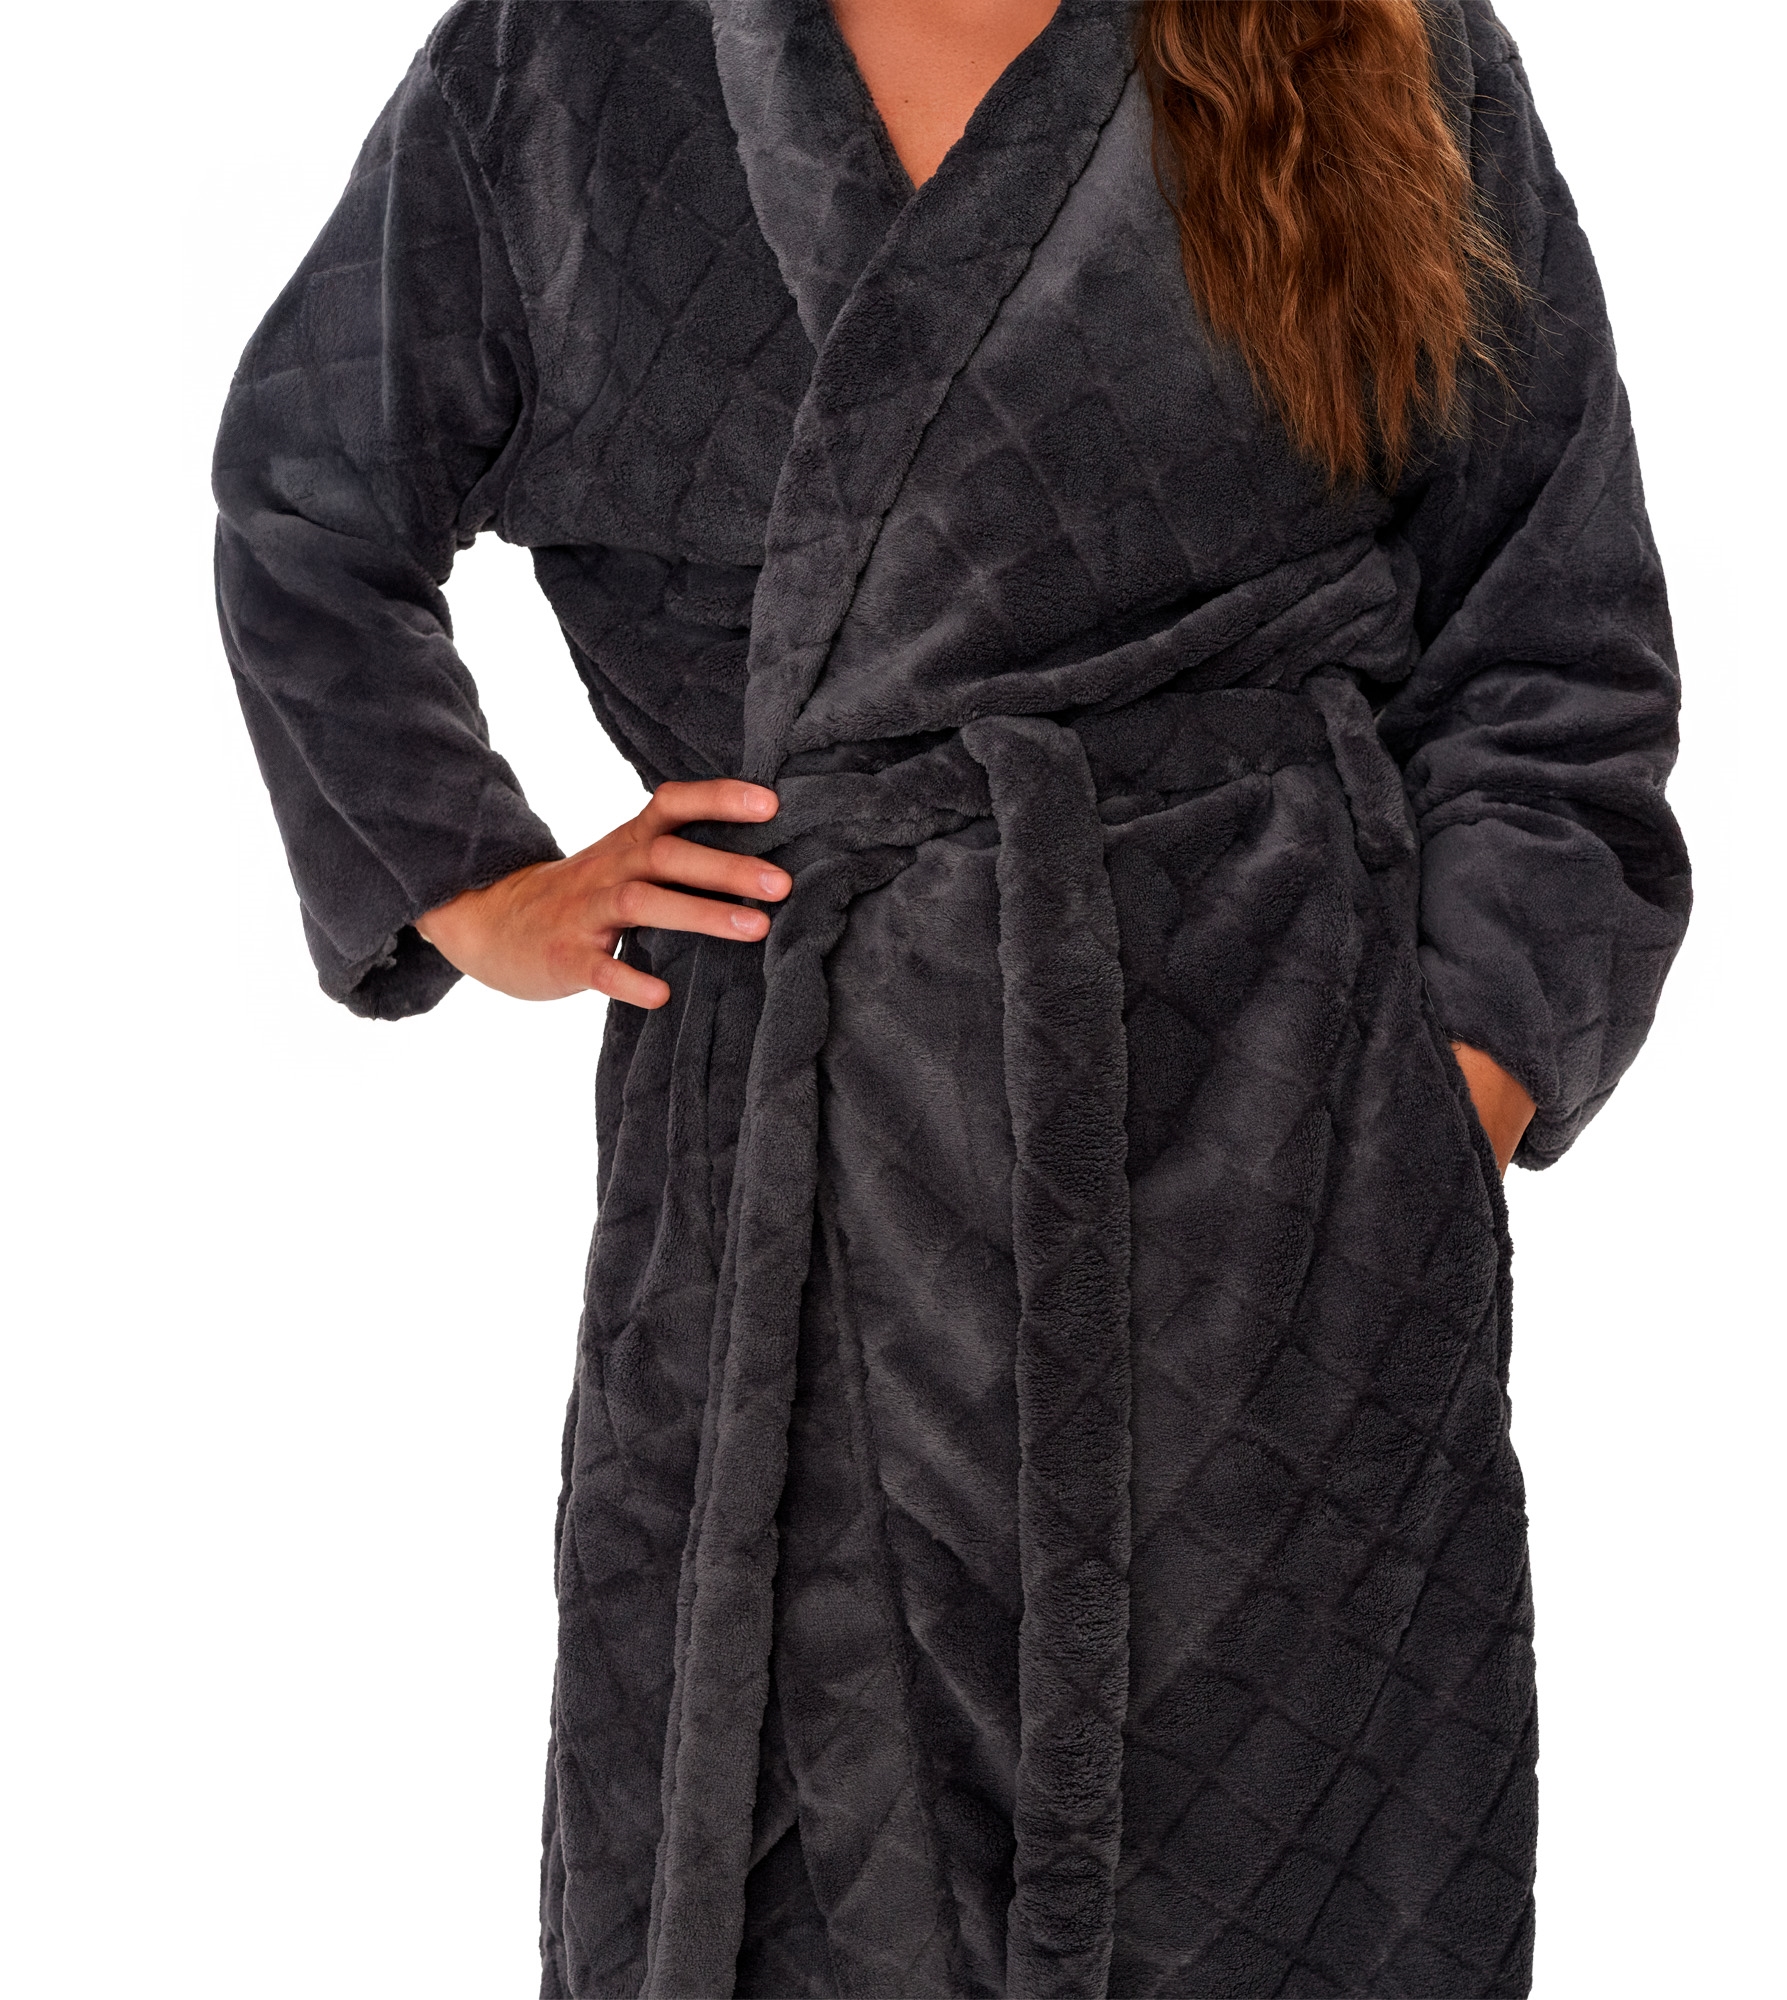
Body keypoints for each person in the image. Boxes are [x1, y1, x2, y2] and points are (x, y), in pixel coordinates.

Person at [212, 0, 1687, 1991]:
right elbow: (310, 503)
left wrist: (1441, 1103)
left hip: (1272, 1174)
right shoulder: (569, 56)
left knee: (1277, 1880)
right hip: (791, 1169)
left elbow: (1551, 637)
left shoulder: (1378, 39)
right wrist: (473, 885)